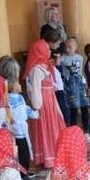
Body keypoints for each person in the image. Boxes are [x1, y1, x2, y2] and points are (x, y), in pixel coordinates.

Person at [23, 33, 66, 168]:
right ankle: (47, 157)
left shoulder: (45, 66)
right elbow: (35, 89)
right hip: (43, 104)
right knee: (46, 130)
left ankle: (54, 155)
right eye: (46, 49)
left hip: (50, 102)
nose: (49, 51)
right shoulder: (36, 69)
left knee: (53, 127)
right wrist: (37, 106)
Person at [7, 81, 38, 180]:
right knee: (21, 151)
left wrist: (33, 113)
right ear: (13, 86)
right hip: (16, 128)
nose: (20, 85)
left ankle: (25, 169)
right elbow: (9, 112)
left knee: (26, 150)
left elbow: (25, 109)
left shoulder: (20, 97)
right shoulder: (8, 98)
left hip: (22, 127)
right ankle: (22, 173)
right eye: (18, 84)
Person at [61, 37, 90, 132]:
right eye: (66, 47)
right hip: (69, 85)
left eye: (70, 47)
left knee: (84, 106)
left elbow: (81, 72)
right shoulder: (62, 58)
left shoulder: (80, 58)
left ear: (76, 47)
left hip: (80, 84)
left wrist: (86, 84)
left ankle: (86, 129)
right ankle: (73, 129)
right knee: (73, 107)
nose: (67, 49)